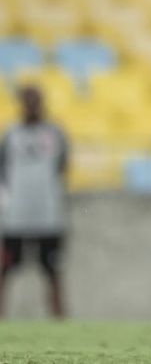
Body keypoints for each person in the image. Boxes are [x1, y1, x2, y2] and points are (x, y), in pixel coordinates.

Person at [0, 84, 69, 317]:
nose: (31, 106)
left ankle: (59, 320)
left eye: (35, 100)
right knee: (6, 270)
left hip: (48, 216)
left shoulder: (55, 133)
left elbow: (62, 166)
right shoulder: (11, 134)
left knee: (53, 271)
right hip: (16, 217)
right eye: (27, 101)